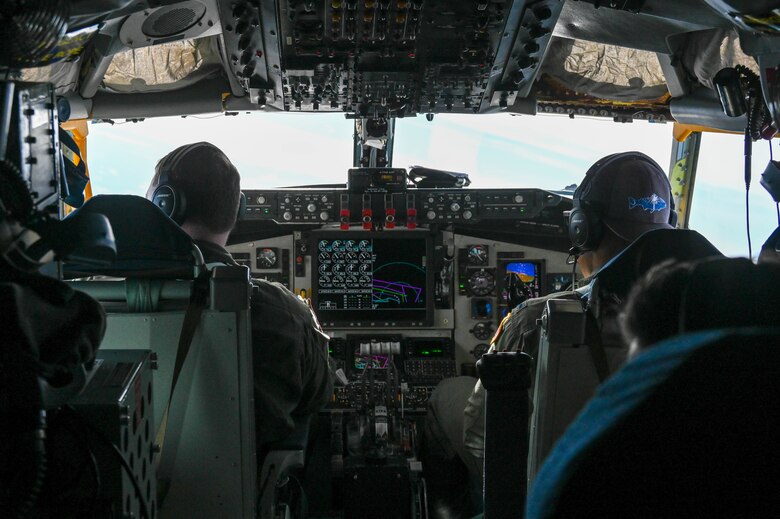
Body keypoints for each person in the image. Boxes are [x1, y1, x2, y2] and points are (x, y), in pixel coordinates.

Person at [423, 151, 678, 514]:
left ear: (581, 229)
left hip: (545, 496)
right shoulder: (703, 314)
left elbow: (481, 437)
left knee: (446, 394)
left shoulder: (533, 319)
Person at [146, 142, 333, 448]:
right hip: (247, 491)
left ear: (164, 203)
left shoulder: (104, 297)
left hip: (133, 487)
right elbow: (320, 394)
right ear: (238, 210)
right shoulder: (285, 312)